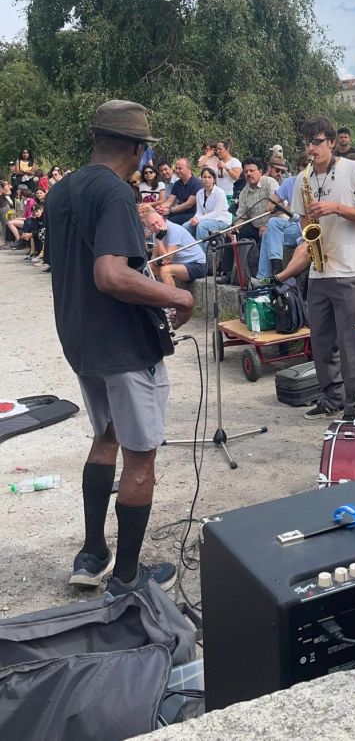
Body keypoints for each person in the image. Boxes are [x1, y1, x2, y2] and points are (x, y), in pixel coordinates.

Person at [44, 99, 194, 596]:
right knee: (140, 457)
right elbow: (110, 274)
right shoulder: (114, 194)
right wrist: (177, 293)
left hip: (82, 341)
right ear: (138, 149)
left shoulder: (63, 188)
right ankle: (128, 579)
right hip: (125, 347)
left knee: (104, 437)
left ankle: (92, 555)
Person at [291, 117, 355, 420]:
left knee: (353, 346)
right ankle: (331, 398)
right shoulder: (304, 179)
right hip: (319, 270)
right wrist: (310, 238)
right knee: (322, 343)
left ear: (332, 142)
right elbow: (302, 219)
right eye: (307, 142)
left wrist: (336, 208)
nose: (310, 148)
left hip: (350, 270)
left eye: (316, 142)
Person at [256, 153, 308, 279]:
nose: (307, 171)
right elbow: (270, 206)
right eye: (304, 167)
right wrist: (285, 209)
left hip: (308, 227)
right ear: (298, 168)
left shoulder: (318, 183)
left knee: (268, 233)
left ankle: (263, 277)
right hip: (294, 226)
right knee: (272, 223)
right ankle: (275, 267)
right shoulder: (290, 182)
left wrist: (291, 209)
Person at [141, 206, 208, 286]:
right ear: (148, 228)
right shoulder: (157, 233)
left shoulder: (174, 230)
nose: (156, 226)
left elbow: (167, 258)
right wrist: (159, 262)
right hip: (180, 264)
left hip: (197, 264)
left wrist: (159, 240)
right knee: (150, 269)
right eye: (152, 225)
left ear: (162, 218)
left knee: (165, 270)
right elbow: (154, 258)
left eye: (157, 222)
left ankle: (173, 297)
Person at [183, 166, 232, 253]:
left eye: (209, 177)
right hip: (205, 219)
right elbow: (199, 212)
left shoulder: (219, 192)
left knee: (202, 226)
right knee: (186, 226)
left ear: (213, 179)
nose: (206, 179)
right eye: (204, 177)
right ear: (201, 179)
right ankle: (189, 253)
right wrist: (195, 219)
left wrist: (199, 219)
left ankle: (202, 255)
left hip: (221, 220)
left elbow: (216, 213)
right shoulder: (199, 193)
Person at [234, 158, 279, 245]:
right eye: (246, 171)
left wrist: (267, 226)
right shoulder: (244, 192)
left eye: (252, 170)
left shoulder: (270, 183)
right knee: (235, 234)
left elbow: (278, 208)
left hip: (273, 224)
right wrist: (233, 229)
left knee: (266, 234)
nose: (249, 174)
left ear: (260, 172)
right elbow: (242, 217)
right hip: (256, 227)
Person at [157, 158, 203, 225]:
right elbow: (169, 201)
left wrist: (170, 210)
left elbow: (188, 204)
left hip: (193, 214)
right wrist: (160, 208)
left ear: (189, 169)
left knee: (168, 222)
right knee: (160, 218)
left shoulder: (197, 183)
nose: (177, 171)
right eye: (176, 168)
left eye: (180, 168)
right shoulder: (177, 184)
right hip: (180, 213)